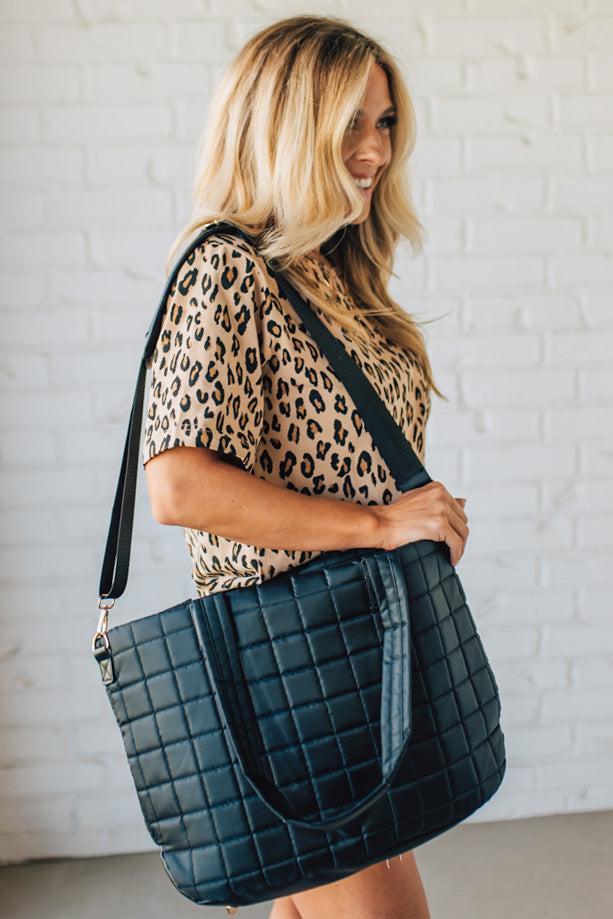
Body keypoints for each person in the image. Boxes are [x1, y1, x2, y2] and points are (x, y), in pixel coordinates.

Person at [142, 14, 469, 919]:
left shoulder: (329, 267)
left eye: (386, 122)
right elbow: (177, 484)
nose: (374, 150)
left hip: (355, 658)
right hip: (294, 676)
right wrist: (375, 525)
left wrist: (415, 518)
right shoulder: (225, 268)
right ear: (286, 126)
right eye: (351, 124)